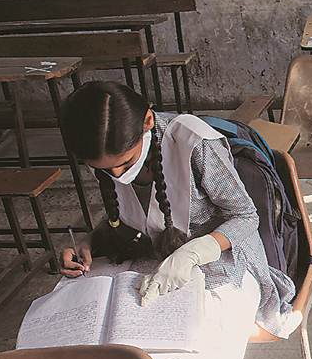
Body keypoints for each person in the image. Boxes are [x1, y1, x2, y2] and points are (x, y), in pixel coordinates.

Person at [57, 80, 299, 339]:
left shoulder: (194, 143)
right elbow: (134, 214)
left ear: (148, 121)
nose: (117, 175)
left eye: (126, 163)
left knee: (201, 334)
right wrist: (90, 241)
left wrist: (194, 253)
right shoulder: (104, 154)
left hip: (223, 257)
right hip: (154, 254)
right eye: (106, 170)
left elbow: (246, 216)